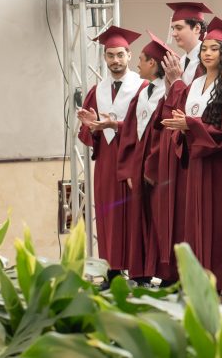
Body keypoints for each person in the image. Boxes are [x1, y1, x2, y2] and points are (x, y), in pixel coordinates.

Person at [160, 17, 222, 279]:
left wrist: (191, 125)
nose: (207, 53)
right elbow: (182, 115)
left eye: (214, 49)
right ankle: (199, 280)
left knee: (218, 222)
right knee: (195, 221)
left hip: (220, 163)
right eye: (205, 48)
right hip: (197, 160)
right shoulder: (195, 85)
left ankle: (221, 280)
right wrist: (183, 126)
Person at [77, 26, 147, 284]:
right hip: (107, 162)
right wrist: (90, 126)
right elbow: (87, 134)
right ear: (104, 57)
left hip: (134, 160)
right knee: (108, 215)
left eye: (120, 55)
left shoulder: (143, 87)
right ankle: (112, 272)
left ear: (129, 55)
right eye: (110, 55)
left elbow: (148, 126)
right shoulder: (97, 91)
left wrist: (115, 125)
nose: (115, 60)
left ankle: (140, 273)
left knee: (136, 214)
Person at [116, 31, 175, 286]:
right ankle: (141, 272)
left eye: (140, 59)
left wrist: (151, 166)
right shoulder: (143, 93)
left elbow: (164, 135)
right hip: (140, 165)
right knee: (139, 219)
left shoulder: (167, 94)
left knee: (160, 220)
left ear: (153, 63)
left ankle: (166, 275)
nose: (137, 64)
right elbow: (130, 133)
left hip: (159, 166)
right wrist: (130, 169)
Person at [166, 2, 212, 81]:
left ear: (197, 28)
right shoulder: (182, 60)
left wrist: (175, 80)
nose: (173, 34)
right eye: (173, 28)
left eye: (179, 28)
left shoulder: (207, 60)